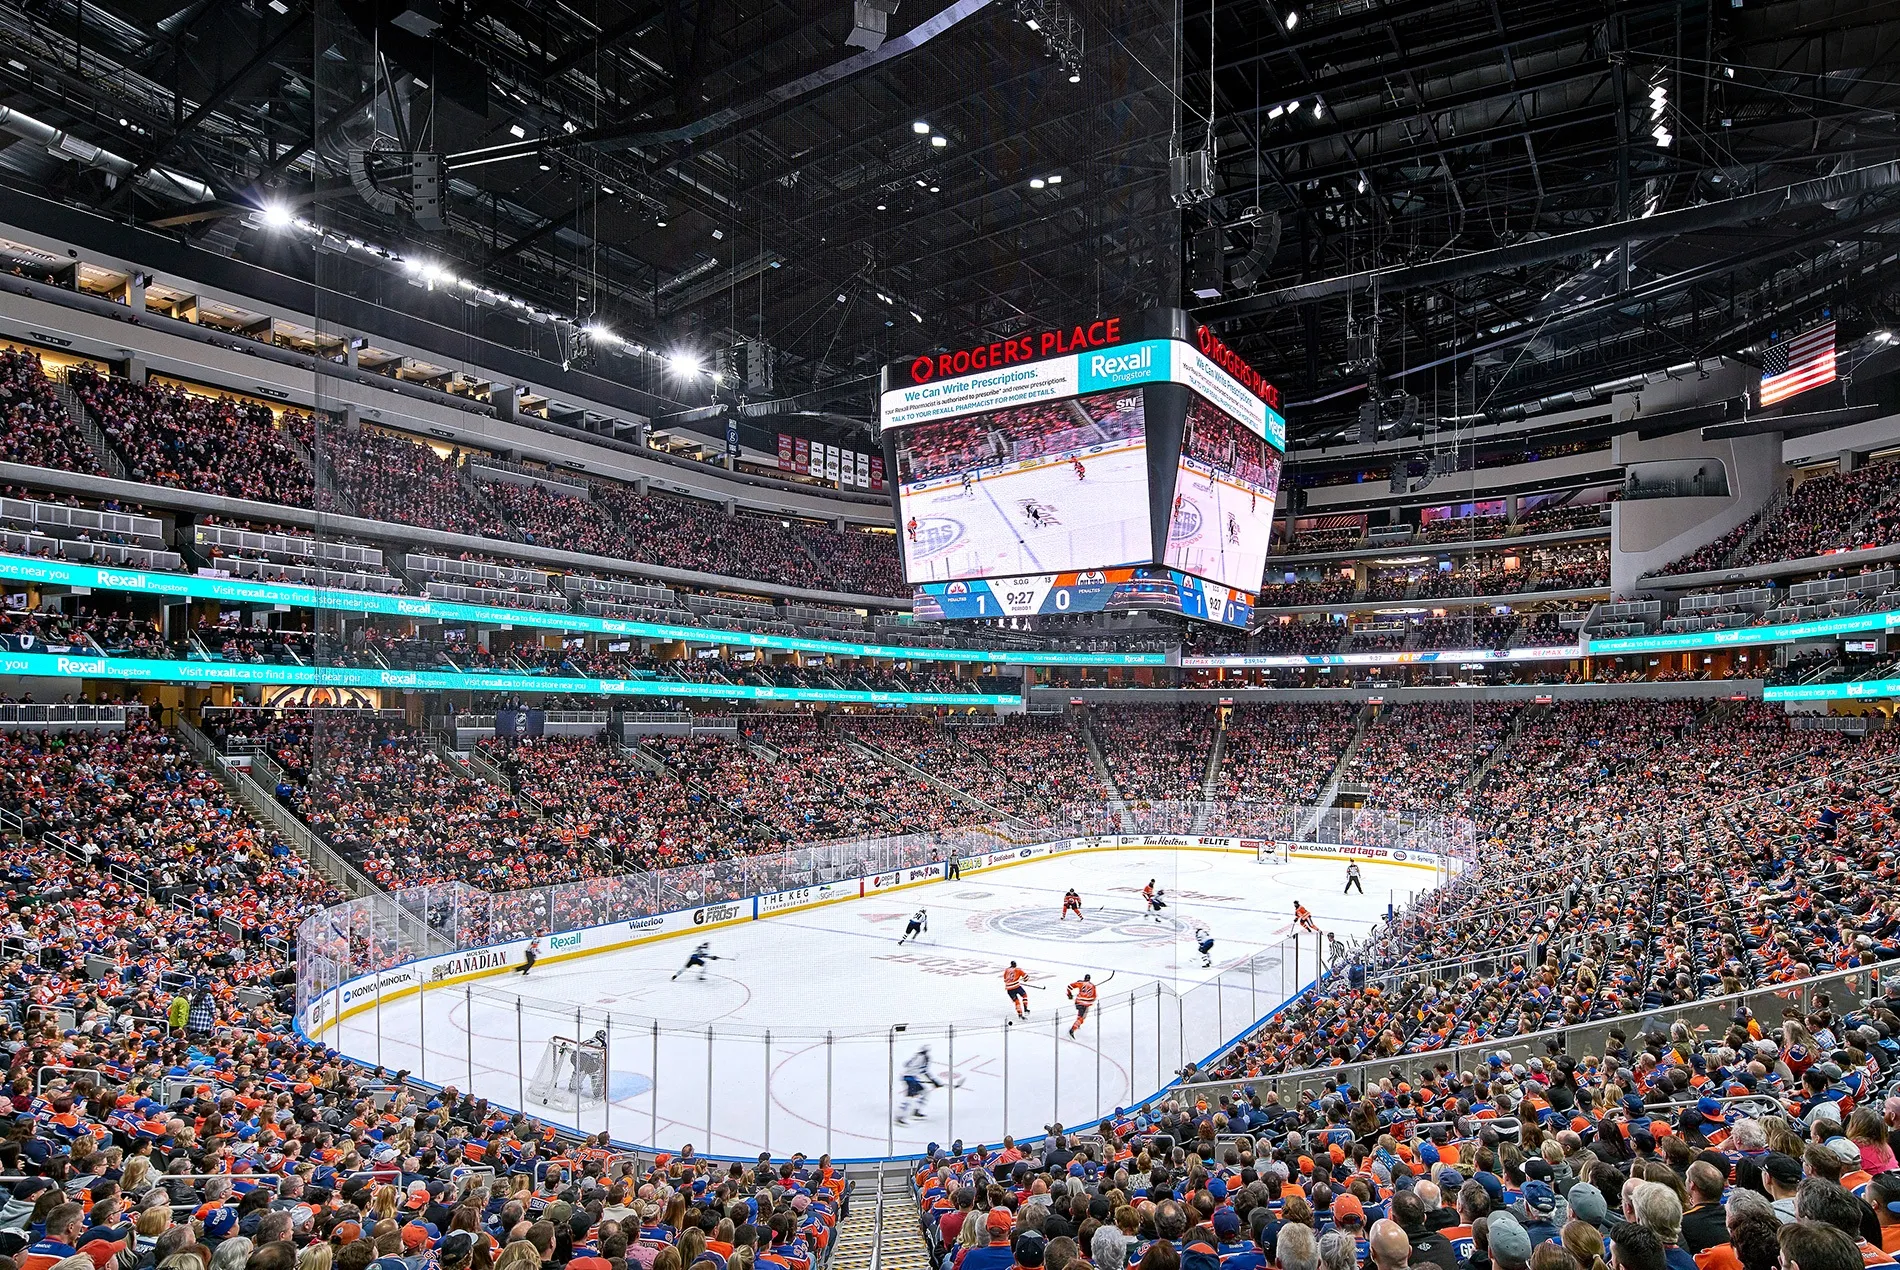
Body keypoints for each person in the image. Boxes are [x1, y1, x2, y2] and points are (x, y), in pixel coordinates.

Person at [895, 1047, 943, 1125]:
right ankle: (900, 1117)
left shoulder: (916, 1056)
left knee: (925, 1092)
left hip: (909, 1077)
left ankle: (916, 1112)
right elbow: (924, 1071)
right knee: (910, 1097)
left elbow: (906, 1064)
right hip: (911, 1078)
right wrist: (934, 1082)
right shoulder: (924, 1058)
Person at [1066, 973, 1097, 1038]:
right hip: (1085, 1004)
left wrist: (1069, 994)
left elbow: (1069, 987)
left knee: (1080, 1014)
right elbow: (1094, 997)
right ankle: (1072, 1030)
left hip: (1078, 1002)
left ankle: (1078, 1024)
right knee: (1081, 1018)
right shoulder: (1092, 986)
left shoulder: (1080, 983)